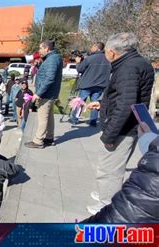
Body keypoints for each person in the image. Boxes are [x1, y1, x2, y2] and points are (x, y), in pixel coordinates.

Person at [85, 33, 154, 215]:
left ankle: (106, 205)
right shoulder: (138, 63)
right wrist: (102, 104)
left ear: (112, 52)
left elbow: (126, 104)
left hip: (123, 128)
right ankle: (104, 192)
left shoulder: (128, 68)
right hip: (130, 124)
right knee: (112, 166)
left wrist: (110, 135)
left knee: (110, 168)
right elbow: (126, 96)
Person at [82, 123, 159, 223]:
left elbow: (131, 213)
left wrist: (110, 135)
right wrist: (149, 142)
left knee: (110, 170)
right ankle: (105, 197)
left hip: (121, 132)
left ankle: (105, 201)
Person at [24, 41, 63, 149]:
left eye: (40, 48)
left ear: (47, 49)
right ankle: (49, 138)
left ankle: (38, 140)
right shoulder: (53, 58)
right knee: (49, 117)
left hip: (46, 94)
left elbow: (49, 79)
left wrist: (39, 93)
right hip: (49, 94)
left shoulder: (52, 59)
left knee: (42, 118)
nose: (39, 51)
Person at [69, 42, 111, 126]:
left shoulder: (90, 58)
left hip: (87, 84)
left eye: (92, 46)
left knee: (80, 102)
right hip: (100, 85)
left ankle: (74, 119)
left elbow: (80, 69)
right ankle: (93, 121)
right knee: (95, 103)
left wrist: (78, 62)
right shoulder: (108, 59)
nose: (91, 48)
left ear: (97, 48)